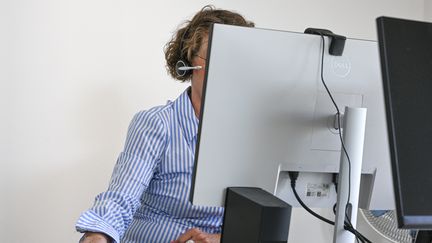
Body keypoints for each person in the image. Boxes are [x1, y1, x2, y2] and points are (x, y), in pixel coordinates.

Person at [76, 5, 254, 243]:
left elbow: (258, 222)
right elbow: (120, 200)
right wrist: (99, 235)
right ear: (190, 61)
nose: (227, 70)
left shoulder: (252, 134)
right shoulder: (157, 124)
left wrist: (218, 239)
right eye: (216, 58)